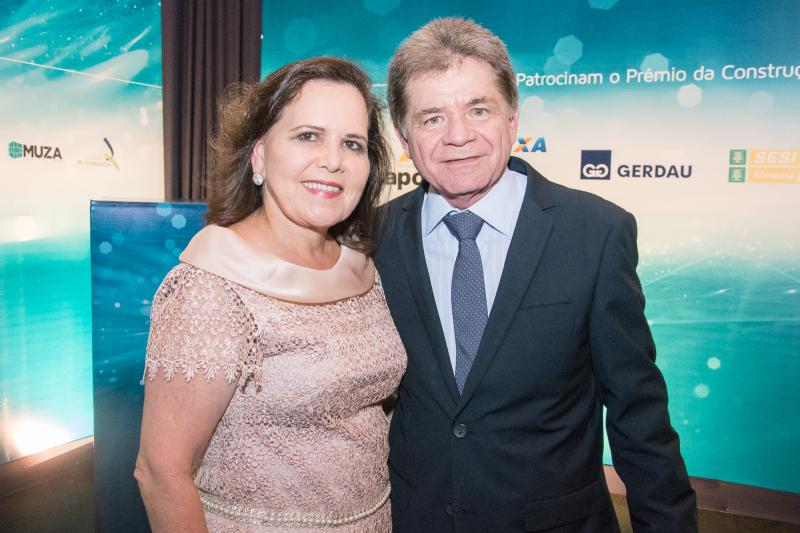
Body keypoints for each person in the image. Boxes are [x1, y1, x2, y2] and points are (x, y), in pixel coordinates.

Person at [375, 18, 697, 532]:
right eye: (432, 117)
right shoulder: (374, 238)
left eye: (478, 109)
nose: (458, 135)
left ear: (512, 118)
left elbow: (639, 416)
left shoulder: (595, 232)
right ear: (403, 136)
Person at [134, 57, 406, 532]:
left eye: (352, 143)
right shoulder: (211, 286)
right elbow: (161, 473)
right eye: (308, 136)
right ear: (259, 156)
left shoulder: (364, 267)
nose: (334, 160)